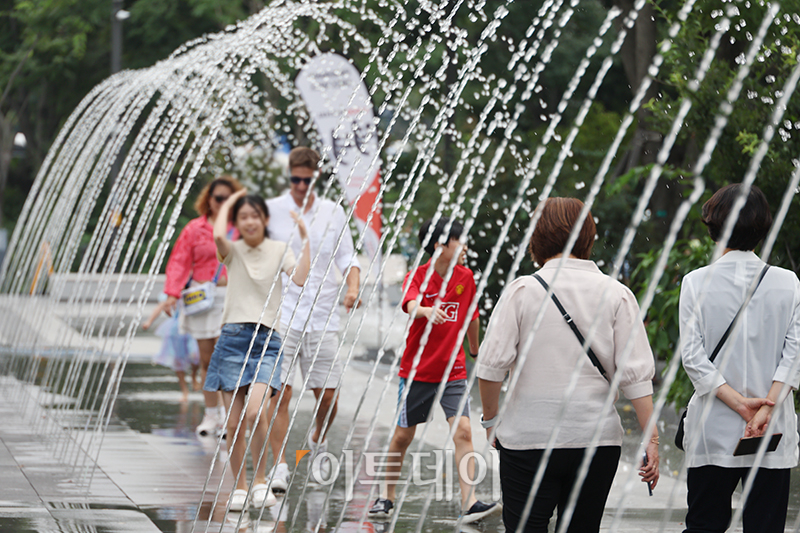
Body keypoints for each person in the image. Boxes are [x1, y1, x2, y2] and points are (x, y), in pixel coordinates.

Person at [477, 197, 659, 533]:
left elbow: (490, 368)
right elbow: (636, 376)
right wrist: (652, 438)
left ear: (538, 235)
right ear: (588, 235)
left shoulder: (522, 291)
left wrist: (491, 422)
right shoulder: (617, 293)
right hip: (596, 441)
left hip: (529, 441)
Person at [679, 184, 800, 533]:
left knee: (704, 525)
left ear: (714, 225)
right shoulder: (788, 283)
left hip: (712, 429)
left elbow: (693, 357)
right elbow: (794, 355)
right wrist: (763, 409)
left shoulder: (695, 283)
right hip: (771, 432)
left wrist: (738, 404)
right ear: (762, 227)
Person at [368, 217, 500, 524]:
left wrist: (475, 350)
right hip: (417, 372)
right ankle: (385, 497)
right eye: (459, 240)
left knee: (464, 431)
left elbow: (472, 316)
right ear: (440, 245)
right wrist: (426, 310)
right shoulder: (418, 276)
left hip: (452, 370)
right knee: (403, 436)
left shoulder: (465, 277)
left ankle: (470, 503)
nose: (464, 246)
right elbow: (409, 301)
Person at [205, 188, 310, 511]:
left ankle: (261, 481)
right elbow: (218, 234)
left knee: (256, 411)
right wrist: (231, 201)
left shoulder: (280, 249)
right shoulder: (232, 250)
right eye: (243, 217)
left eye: (254, 216)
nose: (249, 222)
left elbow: (300, 278)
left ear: (264, 219)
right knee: (233, 423)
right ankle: (240, 486)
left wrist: (305, 239)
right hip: (232, 339)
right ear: (238, 222)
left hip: (266, 342)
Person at [266, 147, 362, 490]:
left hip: (323, 316)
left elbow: (349, 256)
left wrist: (352, 289)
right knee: (281, 394)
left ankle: (317, 438)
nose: (301, 186)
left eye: (307, 180)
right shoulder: (273, 211)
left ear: (315, 177)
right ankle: (279, 465)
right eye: (295, 179)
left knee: (329, 397)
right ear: (289, 176)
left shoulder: (332, 212)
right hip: (283, 315)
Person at [156, 176, 243, 435]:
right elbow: (180, 260)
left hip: (231, 298)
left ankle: (230, 417)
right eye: (218, 198)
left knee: (227, 356)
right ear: (209, 200)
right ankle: (210, 415)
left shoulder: (240, 226)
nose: (222, 203)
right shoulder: (195, 228)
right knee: (207, 359)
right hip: (202, 299)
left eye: (229, 198)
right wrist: (172, 293)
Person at [142, 298, 200, 402]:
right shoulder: (173, 289)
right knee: (178, 360)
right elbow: (161, 305)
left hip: (194, 326)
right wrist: (149, 321)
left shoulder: (194, 284)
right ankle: (184, 391)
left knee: (196, 356)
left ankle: (193, 376)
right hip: (177, 329)